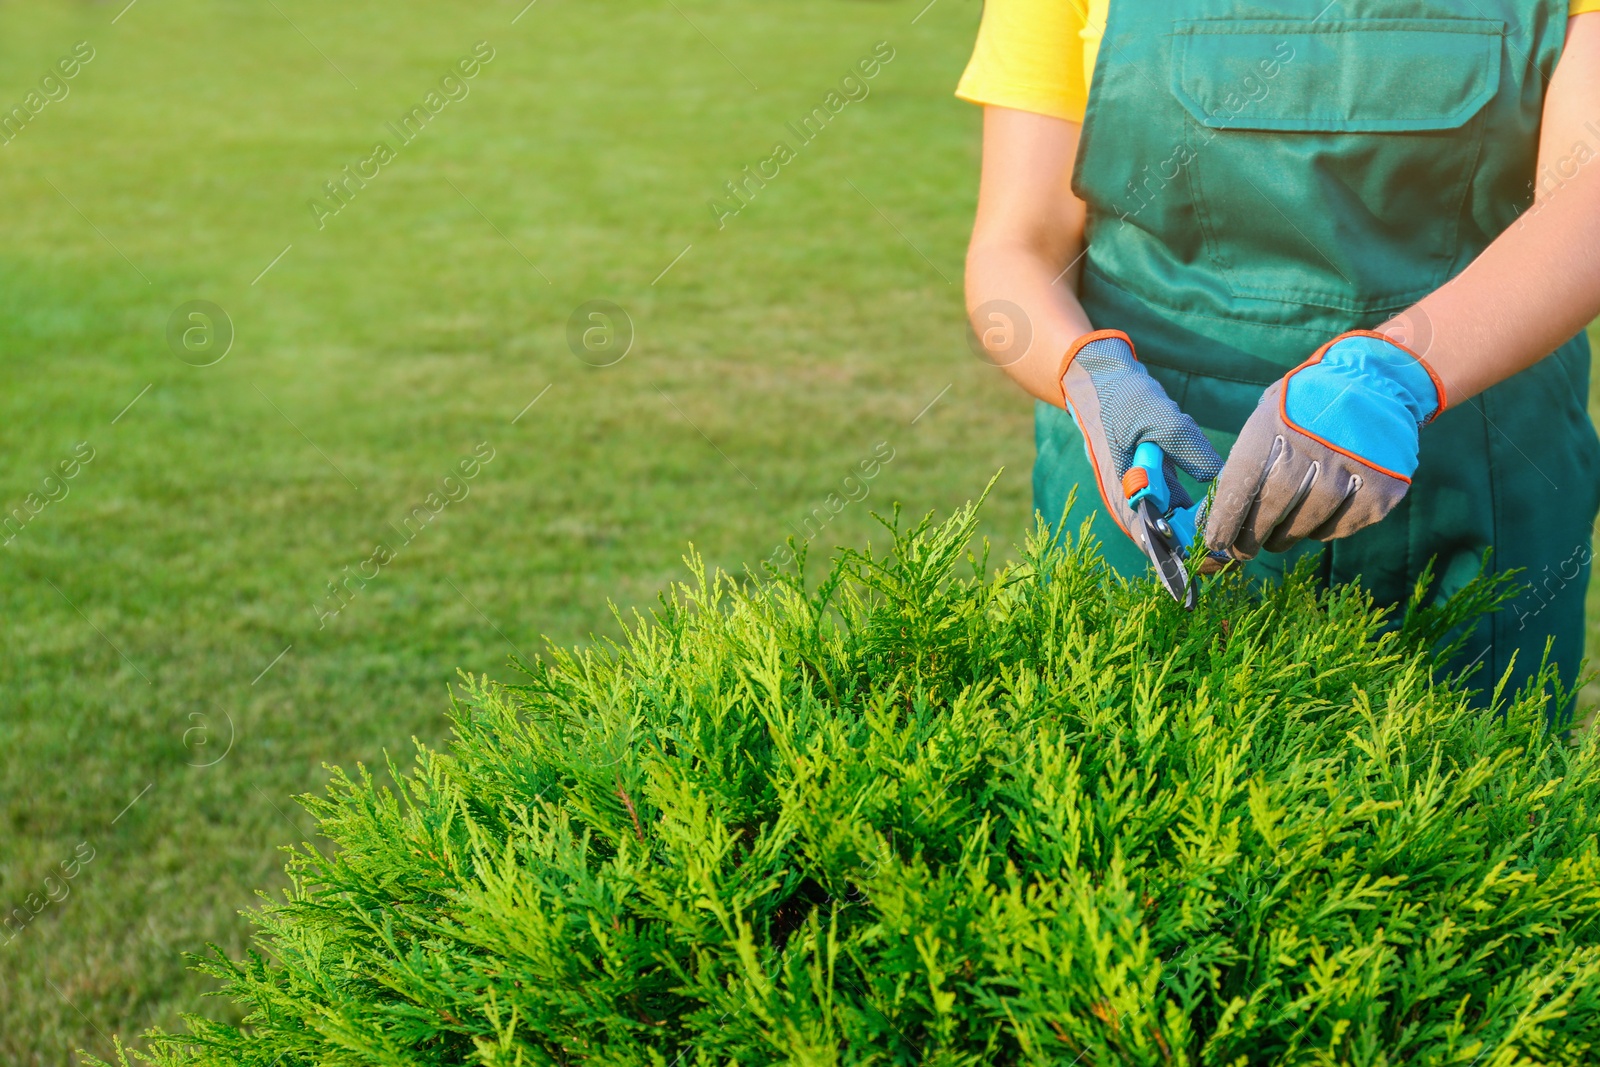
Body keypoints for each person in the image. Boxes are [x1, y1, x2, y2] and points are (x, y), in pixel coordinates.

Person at [961, 0, 1600, 708]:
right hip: (1159, 490)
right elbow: (1016, 244)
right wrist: (1091, 374)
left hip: (1473, 475)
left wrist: (1396, 372)